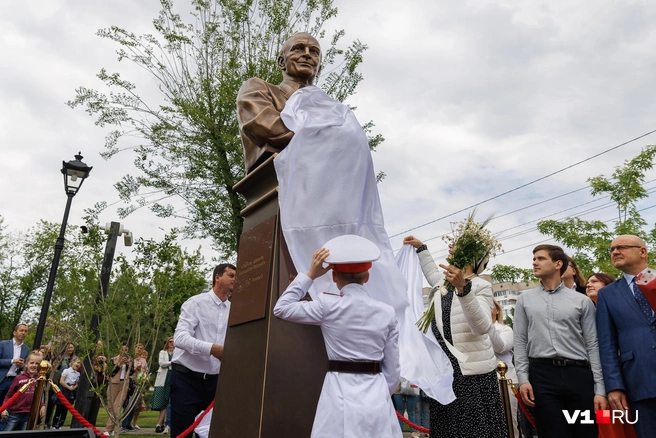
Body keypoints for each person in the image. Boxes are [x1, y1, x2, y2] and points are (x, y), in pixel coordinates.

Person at [273, 235, 402, 437]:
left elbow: (281, 309)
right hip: (376, 390)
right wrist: (379, 392)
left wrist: (310, 275)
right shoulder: (387, 312)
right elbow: (393, 371)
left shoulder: (327, 305)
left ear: (334, 277)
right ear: (367, 277)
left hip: (337, 390)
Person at [403, 234, 506, 438]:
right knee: (447, 428)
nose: (450, 248)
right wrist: (421, 248)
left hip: (469, 372)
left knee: (472, 431)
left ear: (471, 255)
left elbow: (482, 327)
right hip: (444, 366)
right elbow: (432, 271)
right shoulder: (444, 283)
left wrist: (463, 289)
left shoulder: (480, 286)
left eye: (456, 247)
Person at [514, 244, 606, 438]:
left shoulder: (582, 301)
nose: (534, 262)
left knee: (587, 432)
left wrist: (600, 389)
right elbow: (520, 341)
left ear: (558, 264)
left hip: (579, 375)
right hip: (542, 375)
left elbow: (593, 345)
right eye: (534, 259)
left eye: (540, 258)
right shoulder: (525, 299)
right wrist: (523, 379)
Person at [596, 235, 656, 438]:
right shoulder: (608, 294)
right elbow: (607, 345)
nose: (615, 252)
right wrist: (614, 387)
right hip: (638, 383)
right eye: (612, 249)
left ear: (642, 251)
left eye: (622, 247)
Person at [236, 32, 321, 173]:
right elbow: (269, 128)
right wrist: (326, 141)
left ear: (319, 69)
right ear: (282, 62)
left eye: (314, 52)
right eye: (298, 48)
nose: (307, 54)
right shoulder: (258, 88)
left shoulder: (331, 109)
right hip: (273, 176)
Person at [170, 263, 236, 438]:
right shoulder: (195, 303)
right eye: (231, 275)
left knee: (210, 433)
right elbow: (180, 339)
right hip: (186, 379)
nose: (235, 279)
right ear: (217, 277)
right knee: (182, 433)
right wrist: (212, 349)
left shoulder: (235, 311)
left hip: (216, 383)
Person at [584, 272, 637, 438]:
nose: (589, 284)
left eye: (595, 281)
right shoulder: (585, 313)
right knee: (606, 422)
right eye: (587, 282)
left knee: (627, 418)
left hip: (620, 373)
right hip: (595, 378)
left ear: (608, 285)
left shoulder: (621, 308)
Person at [488, 299, 518, 438]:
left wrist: (486, 325)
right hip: (484, 379)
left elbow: (501, 347)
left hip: (505, 380)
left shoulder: (505, 329)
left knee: (508, 421)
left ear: (498, 310)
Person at [1, 351, 44, 431]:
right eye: (32, 363)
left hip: (29, 414)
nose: (34, 365)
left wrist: (42, 406)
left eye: (37, 363)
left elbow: (40, 395)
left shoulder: (39, 379)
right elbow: (9, 395)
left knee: (25, 433)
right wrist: (4, 408)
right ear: (26, 364)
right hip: (15, 413)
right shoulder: (19, 378)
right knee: (7, 432)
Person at [103, 343, 132, 436]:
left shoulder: (130, 360)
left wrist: (128, 364)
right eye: (123, 350)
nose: (125, 352)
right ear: (120, 350)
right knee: (111, 407)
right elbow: (110, 373)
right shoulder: (113, 360)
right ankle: (112, 428)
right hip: (114, 384)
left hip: (124, 384)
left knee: (117, 406)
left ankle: (108, 428)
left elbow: (131, 372)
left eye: (126, 350)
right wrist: (119, 364)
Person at [0, 324, 30, 405]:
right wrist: (12, 361)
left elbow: (24, 367)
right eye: (21, 330)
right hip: (2, 379)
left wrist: (21, 366)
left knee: (6, 406)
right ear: (14, 332)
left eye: (25, 331)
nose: (23, 333)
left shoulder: (26, 349)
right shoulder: (3, 344)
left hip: (14, 381)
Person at [52, 358, 82, 429]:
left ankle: (60, 424)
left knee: (66, 409)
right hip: (64, 389)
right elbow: (61, 381)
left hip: (71, 391)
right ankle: (54, 424)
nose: (78, 364)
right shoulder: (66, 371)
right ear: (73, 362)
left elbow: (77, 383)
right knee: (59, 407)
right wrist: (68, 387)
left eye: (79, 363)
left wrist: (74, 387)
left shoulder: (78, 374)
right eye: (77, 362)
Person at [153, 337, 174, 434]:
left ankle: (161, 424)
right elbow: (161, 363)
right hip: (163, 379)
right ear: (167, 342)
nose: (171, 343)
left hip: (172, 378)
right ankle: (160, 424)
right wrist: (172, 363)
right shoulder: (163, 352)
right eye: (170, 341)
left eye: (173, 342)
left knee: (169, 402)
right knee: (162, 403)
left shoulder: (177, 352)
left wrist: (170, 364)